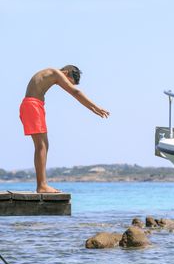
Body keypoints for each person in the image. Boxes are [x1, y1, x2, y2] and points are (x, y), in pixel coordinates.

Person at [19, 65, 110, 193]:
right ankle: (42, 186)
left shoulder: (49, 74)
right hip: (33, 106)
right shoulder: (55, 72)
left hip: (33, 105)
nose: (66, 85)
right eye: (68, 81)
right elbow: (75, 92)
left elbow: (73, 91)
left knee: (43, 145)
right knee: (42, 146)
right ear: (66, 72)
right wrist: (95, 107)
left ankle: (42, 185)